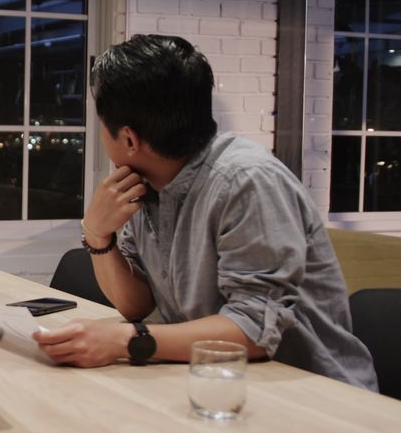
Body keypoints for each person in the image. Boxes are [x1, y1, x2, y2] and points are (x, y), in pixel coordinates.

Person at [32, 34, 377, 391]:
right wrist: (99, 236)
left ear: (130, 139)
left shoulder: (245, 181)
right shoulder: (144, 184)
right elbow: (137, 304)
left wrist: (124, 341)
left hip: (312, 393)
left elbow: (254, 329)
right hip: (216, 378)